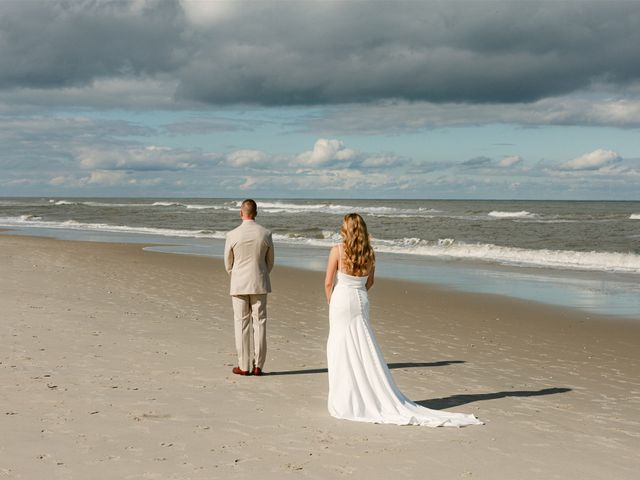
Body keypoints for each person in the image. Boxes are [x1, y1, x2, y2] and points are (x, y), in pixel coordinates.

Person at [324, 213, 482, 426]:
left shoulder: (337, 250)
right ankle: (367, 394)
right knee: (363, 346)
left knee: (339, 347)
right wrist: (359, 290)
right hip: (361, 299)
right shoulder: (370, 253)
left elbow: (327, 283)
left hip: (341, 300)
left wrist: (333, 303)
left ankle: (346, 398)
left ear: (346, 229)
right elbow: (370, 282)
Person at [224, 199, 275, 376]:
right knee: (260, 323)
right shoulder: (265, 233)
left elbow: (228, 264)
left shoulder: (232, 235)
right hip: (259, 282)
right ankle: (258, 366)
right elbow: (270, 262)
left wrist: (237, 275)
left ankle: (244, 366)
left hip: (239, 283)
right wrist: (260, 273)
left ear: (241, 213)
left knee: (241, 324)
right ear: (256, 213)